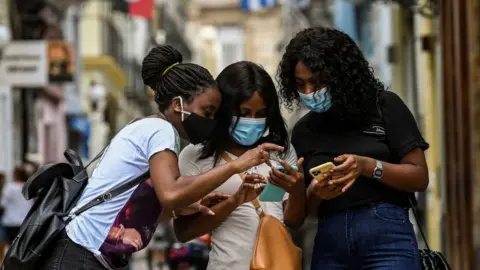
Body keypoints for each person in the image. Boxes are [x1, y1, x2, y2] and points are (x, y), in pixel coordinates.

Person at [39, 45, 283, 270]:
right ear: (178, 104)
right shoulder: (161, 130)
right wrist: (238, 165)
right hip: (81, 254)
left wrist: (193, 205)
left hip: (90, 255)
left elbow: (162, 202)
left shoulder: (148, 127)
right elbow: (171, 192)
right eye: (206, 112)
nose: (210, 121)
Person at [277, 27, 429, 270]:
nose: (309, 92)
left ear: (340, 75)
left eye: (316, 82)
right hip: (330, 241)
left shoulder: (385, 107)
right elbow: (297, 217)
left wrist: (367, 166)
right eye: (300, 84)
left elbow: (419, 177)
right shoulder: (303, 131)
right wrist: (315, 192)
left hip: (387, 238)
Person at [174, 61, 307, 269]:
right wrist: (234, 202)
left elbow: (292, 221)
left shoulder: (280, 150)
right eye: (244, 113)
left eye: (261, 114)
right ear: (224, 110)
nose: (252, 121)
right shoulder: (196, 155)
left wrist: (297, 189)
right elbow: (183, 232)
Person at [1, 167, 33, 245]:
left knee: (12, 245)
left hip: (11, 221)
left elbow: (3, 203)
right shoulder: (29, 186)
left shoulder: (9, 187)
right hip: (26, 221)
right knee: (22, 245)